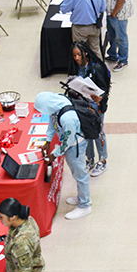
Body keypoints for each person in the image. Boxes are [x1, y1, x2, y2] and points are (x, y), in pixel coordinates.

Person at [34, 91, 93, 219]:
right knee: (77, 173)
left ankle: (85, 205)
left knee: (80, 174)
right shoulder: (57, 104)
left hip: (75, 146)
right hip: (70, 143)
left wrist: (54, 155)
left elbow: (68, 141)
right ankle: (82, 197)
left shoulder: (68, 118)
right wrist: (48, 140)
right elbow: (52, 122)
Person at [68, 41, 111, 176]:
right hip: (82, 105)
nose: (77, 58)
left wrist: (99, 97)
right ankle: (90, 159)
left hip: (95, 106)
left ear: (85, 53)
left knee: (98, 132)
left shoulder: (96, 67)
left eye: (79, 55)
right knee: (86, 132)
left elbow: (104, 89)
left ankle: (103, 160)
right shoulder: (75, 67)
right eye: (74, 55)